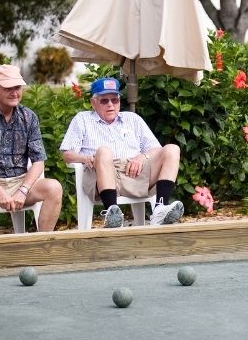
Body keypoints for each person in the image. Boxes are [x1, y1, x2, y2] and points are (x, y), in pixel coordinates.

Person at [60, 77, 184, 228]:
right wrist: (85, 158)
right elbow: (67, 154)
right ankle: (111, 214)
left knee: (172, 149)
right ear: (93, 103)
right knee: (104, 151)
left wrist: (141, 157)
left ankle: (160, 208)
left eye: (114, 99)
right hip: (102, 172)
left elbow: (156, 149)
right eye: (104, 100)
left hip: (135, 173)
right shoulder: (83, 119)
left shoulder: (133, 119)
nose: (111, 104)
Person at [0, 64, 62, 236]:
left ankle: (43, 245)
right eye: (8, 88)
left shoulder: (28, 117)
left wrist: (23, 190)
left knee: (54, 187)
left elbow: (38, 161)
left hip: (19, 182)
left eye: (17, 87)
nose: (14, 92)